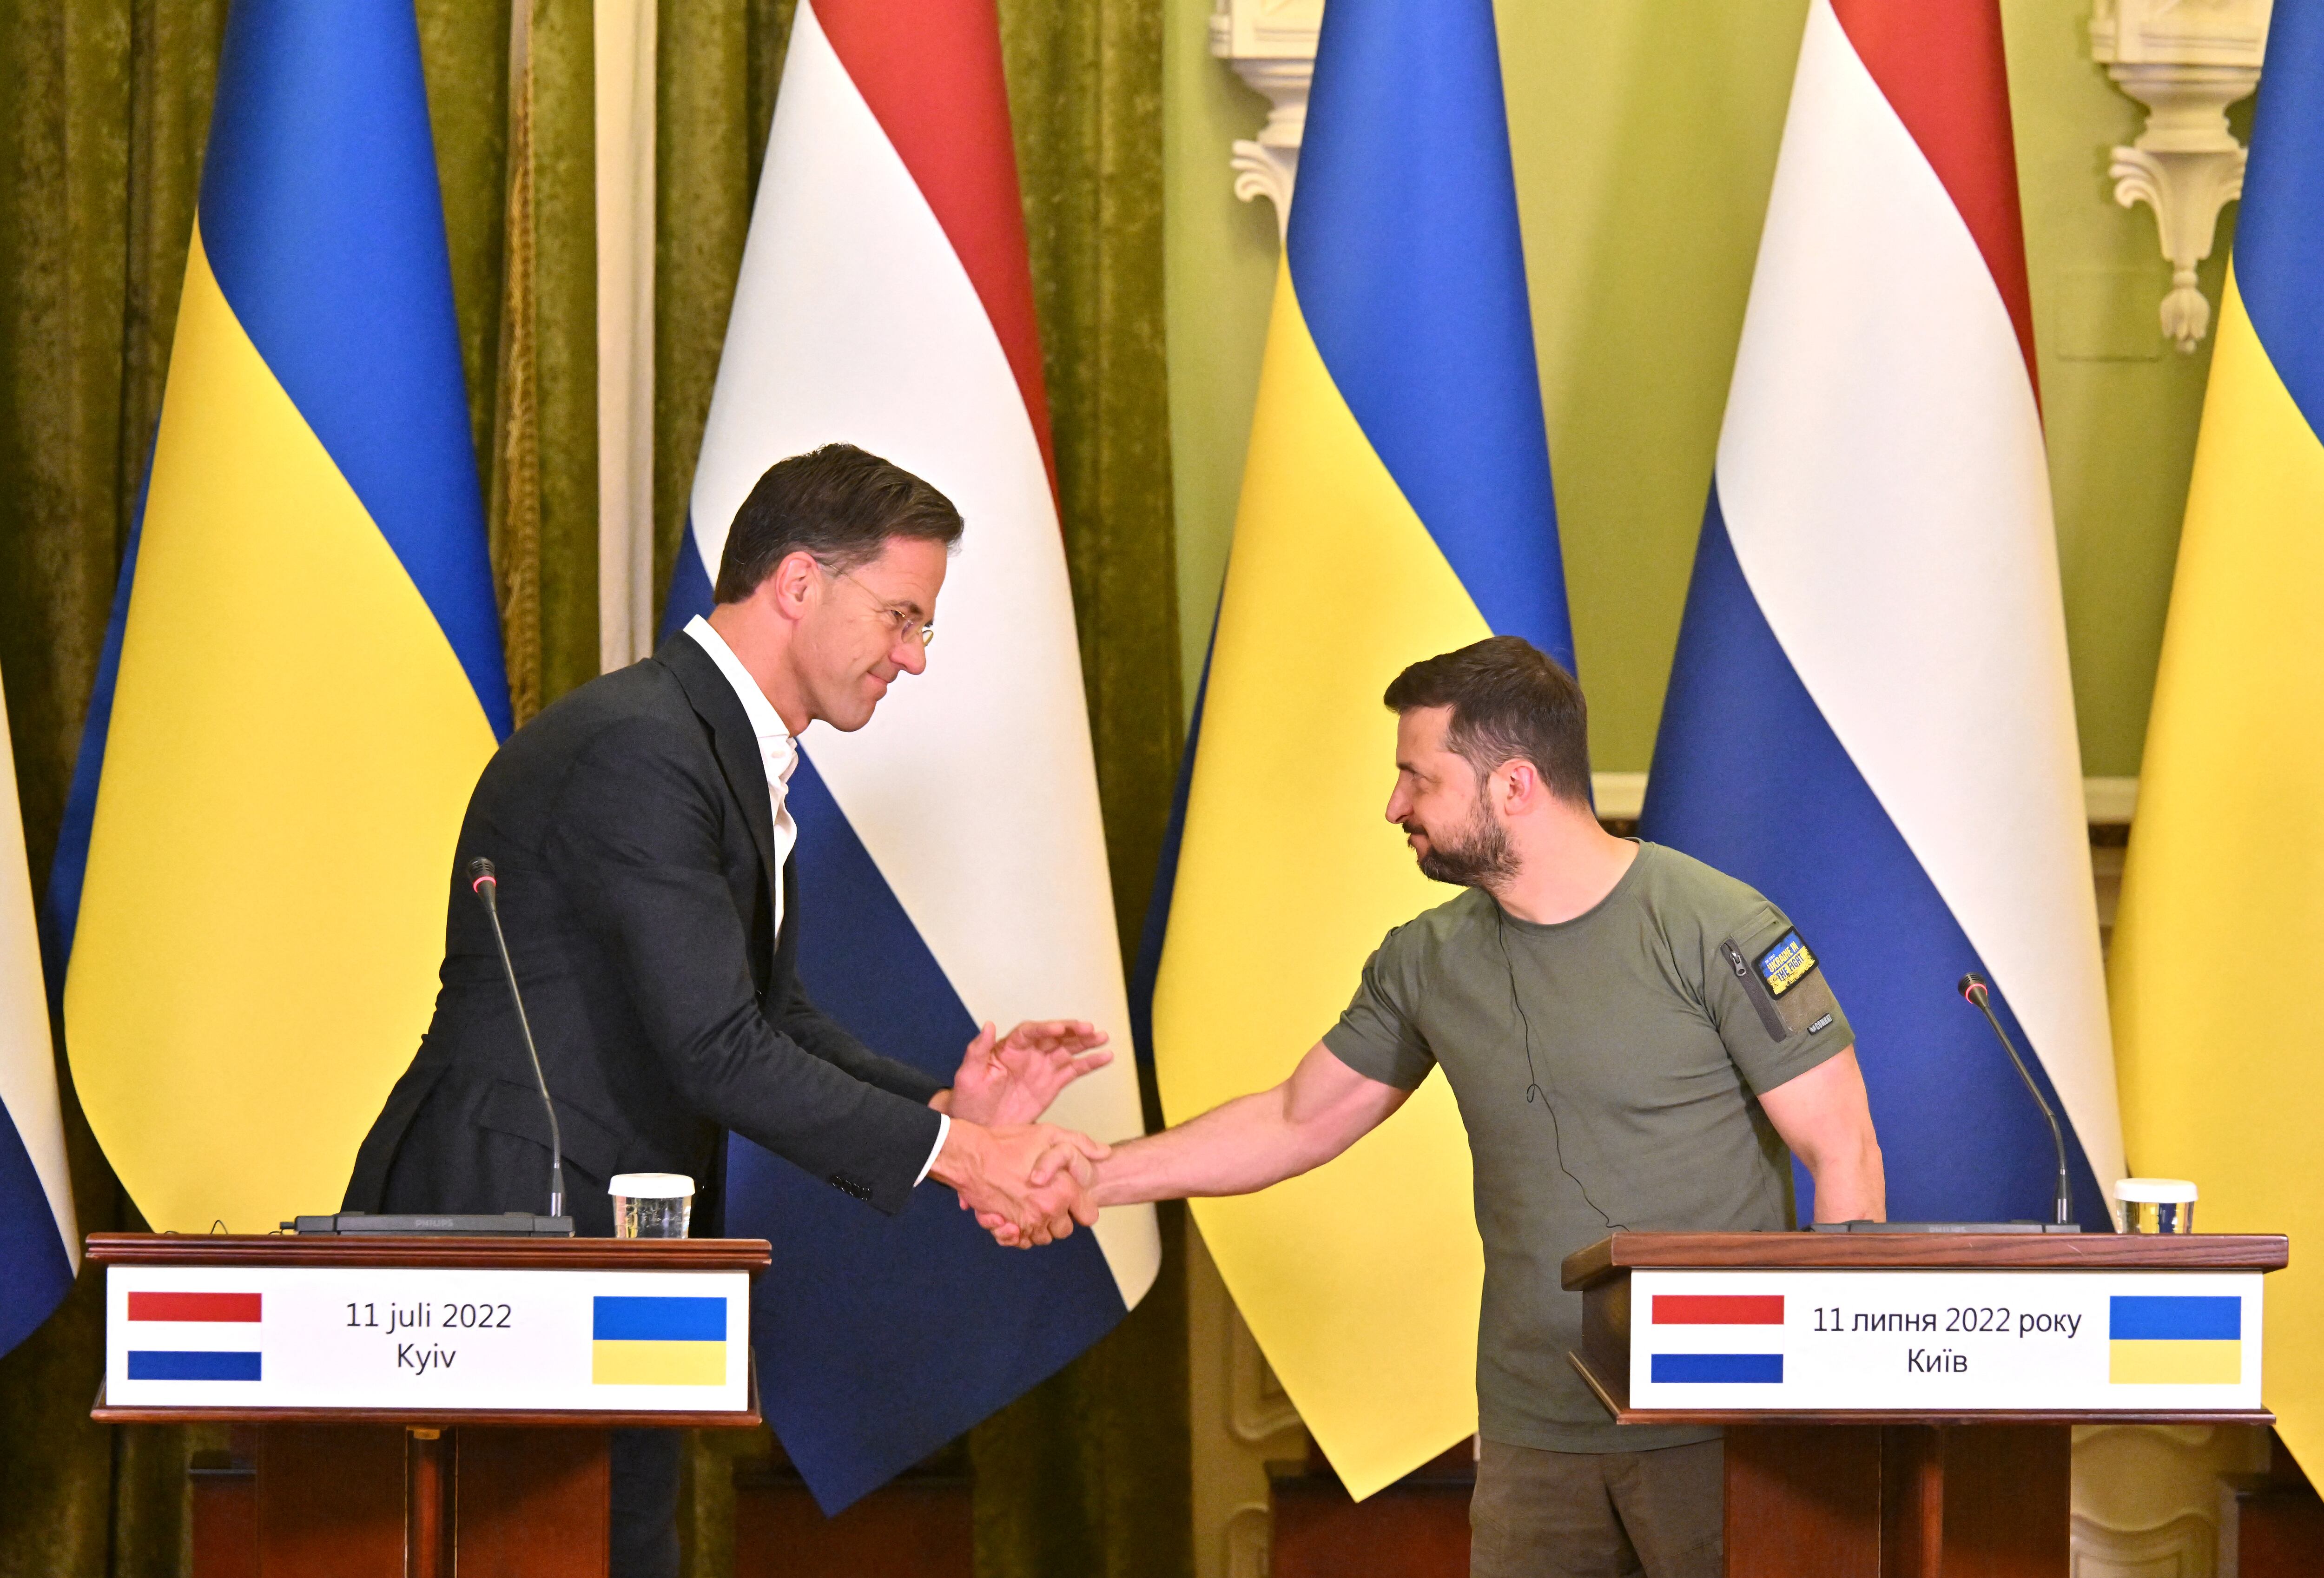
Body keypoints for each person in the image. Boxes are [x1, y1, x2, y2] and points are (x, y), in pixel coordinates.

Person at [344, 443, 1110, 1578]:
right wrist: (961, 1157)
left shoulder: (716, 747)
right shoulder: (643, 749)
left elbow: (768, 1015)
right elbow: (718, 1050)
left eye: (923, 629)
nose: (913, 659)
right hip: (509, 1221)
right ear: (799, 584)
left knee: (620, 1545)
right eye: (901, 617)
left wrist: (954, 1105)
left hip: (613, 1239)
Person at [1049, 636, 1885, 1578]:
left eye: (1417, 778)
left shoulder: (1720, 928)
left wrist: (1829, 1402)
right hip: (1535, 1436)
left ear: (1514, 787)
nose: (1393, 805)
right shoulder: (1425, 960)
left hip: (1726, 1430)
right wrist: (1097, 1174)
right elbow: (1296, 1118)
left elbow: (1843, 1149)